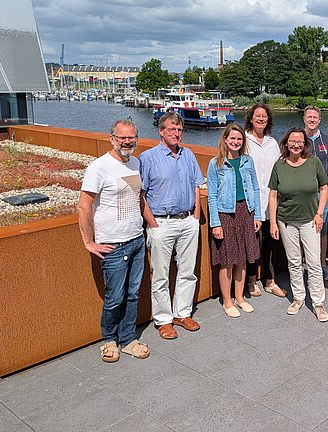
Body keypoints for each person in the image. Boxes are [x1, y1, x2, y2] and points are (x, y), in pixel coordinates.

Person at [78, 119, 149, 362]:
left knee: (133, 294)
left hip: (137, 239)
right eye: (122, 138)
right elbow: (84, 205)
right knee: (115, 296)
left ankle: (128, 339)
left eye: (131, 138)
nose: (127, 142)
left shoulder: (137, 163)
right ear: (112, 139)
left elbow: (138, 198)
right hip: (113, 244)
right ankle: (109, 339)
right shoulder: (99, 167)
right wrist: (89, 241)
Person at [140, 112, 204, 340]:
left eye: (179, 130)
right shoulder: (148, 158)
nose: (176, 134)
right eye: (171, 129)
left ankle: (183, 313)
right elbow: (142, 194)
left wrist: (196, 215)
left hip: (187, 220)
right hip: (162, 223)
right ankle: (164, 320)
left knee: (188, 272)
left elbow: (197, 185)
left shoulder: (188, 155)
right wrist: (153, 224)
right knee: (161, 275)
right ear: (161, 131)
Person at [269, 127, 328, 322]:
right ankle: (298, 298)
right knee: (294, 262)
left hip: (310, 221)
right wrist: (273, 222)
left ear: (305, 144)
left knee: (313, 263)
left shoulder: (314, 162)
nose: (296, 145)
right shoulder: (279, 165)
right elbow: (273, 195)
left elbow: (324, 187)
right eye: (292, 141)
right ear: (286, 143)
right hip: (286, 221)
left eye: (300, 142)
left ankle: (318, 303)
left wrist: (320, 213)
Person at [207, 124, 262, 318]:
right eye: (232, 138)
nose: (236, 142)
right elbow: (211, 195)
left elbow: (255, 189)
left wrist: (257, 216)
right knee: (227, 260)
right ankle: (227, 301)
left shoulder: (248, 161)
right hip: (225, 213)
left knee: (242, 258)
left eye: (239, 139)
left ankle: (240, 298)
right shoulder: (216, 163)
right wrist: (215, 223)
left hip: (245, 212)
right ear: (225, 140)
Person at [244, 104, 287, 298]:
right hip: (251, 201)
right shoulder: (244, 140)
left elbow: (279, 170)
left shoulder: (272, 143)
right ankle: (252, 281)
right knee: (253, 243)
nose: (261, 119)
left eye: (264, 116)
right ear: (251, 118)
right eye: (257, 116)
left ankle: (270, 281)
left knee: (271, 242)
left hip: (270, 201)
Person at [303, 106, 328, 282]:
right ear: (304, 119)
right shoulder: (298, 139)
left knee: (322, 231)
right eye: (309, 117)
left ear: (319, 120)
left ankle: (322, 265)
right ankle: (307, 266)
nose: (312, 120)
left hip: (322, 194)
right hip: (303, 195)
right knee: (302, 230)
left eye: (315, 117)